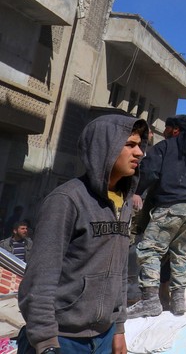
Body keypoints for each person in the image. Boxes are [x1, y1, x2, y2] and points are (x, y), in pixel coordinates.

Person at [18, 114, 148, 354]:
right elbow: (40, 277)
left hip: (104, 337)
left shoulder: (125, 203)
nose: (139, 152)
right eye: (130, 145)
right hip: (61, 338)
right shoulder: (66, 200)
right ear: (104, 148)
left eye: (140, 145)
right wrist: (46, 343)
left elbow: (119, 271)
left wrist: (118, 329)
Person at [127, 114, 186, 317]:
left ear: (175, 130)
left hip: (170, 206)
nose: (166, 132)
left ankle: (150, 300)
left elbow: (149, 171)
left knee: (150, 250)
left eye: (168, 128)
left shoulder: (165, 147)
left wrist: (137, 192)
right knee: (181, 253)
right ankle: (178, 301)